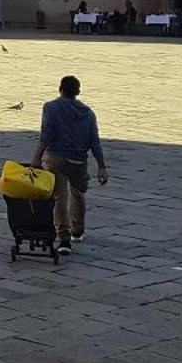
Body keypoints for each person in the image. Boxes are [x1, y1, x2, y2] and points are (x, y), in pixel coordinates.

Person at [31, 75, 108, 254]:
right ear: (78, 92)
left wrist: (36, 158)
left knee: (60, 197)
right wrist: (101, 167)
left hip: (56, 158)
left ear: (60, 89)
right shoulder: (88, 113)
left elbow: (46, 135)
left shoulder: (50, 108)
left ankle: (64, 238)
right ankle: (78, 230)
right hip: (79, 161)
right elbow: (95, 142)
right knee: (78, 194)